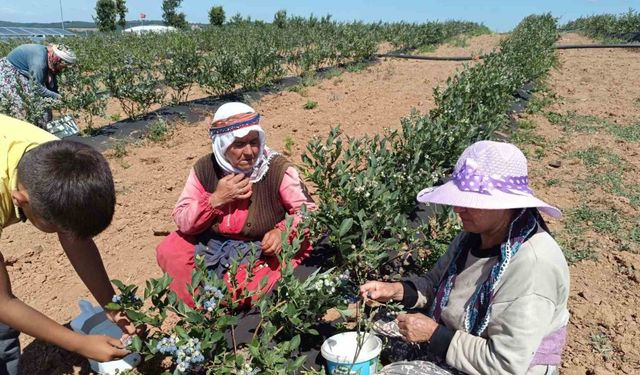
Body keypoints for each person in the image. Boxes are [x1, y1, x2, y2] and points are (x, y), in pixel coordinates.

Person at [361, 140, 569, 375]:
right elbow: (436, 284)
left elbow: (507, 364)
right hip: (462, 337)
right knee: (376, 328)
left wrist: (434, 335)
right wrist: (396, 290)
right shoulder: (475, 235)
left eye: (470, 202)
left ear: (504, 205)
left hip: (502, 367)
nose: (458, 209)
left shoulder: (533, 266)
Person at [0, 114, 136, 375]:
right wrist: (79, 343)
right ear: (21, 199)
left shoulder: (57, 159)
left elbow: (75, 237)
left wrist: (113, 307)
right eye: (58, 227)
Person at [156, 102, 317, 307]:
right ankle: (199, 313)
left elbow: (308, 212)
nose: (249, 152)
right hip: (213, 245)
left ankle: (228, 303)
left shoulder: (275, 169)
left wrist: (281, 233)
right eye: (239, 144)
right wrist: (215, 200)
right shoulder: (205, 168)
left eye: (254, 142)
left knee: (253, 281)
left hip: (260, 251)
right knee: (171, 249)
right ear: (222, 145)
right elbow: (183, 219)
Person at [0, 43, 76, 127]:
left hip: (26, 71)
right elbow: (36, 88)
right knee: (21, 104)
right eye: (63, 66)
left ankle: (43, 126)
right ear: (57, 60)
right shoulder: (39, 63)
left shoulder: (50, 59)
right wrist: (57, 97)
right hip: (10, 71)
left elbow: (51, 84)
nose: (63, 69)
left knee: (42, 104)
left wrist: (56, 96)